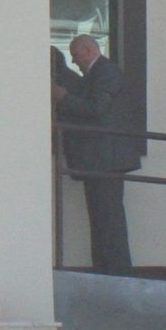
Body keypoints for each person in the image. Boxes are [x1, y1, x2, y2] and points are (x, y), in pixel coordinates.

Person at [55, 33, 143, 275]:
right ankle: (107, 270)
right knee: (102, 220)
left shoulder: (106, 72)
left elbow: (96, 108)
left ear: (89, 51)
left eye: (75, 55)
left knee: (109, 220)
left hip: (106, 160)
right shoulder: (99, 73)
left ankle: (116, 272)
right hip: (100, 160)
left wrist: (63, 97)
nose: (74, 61)